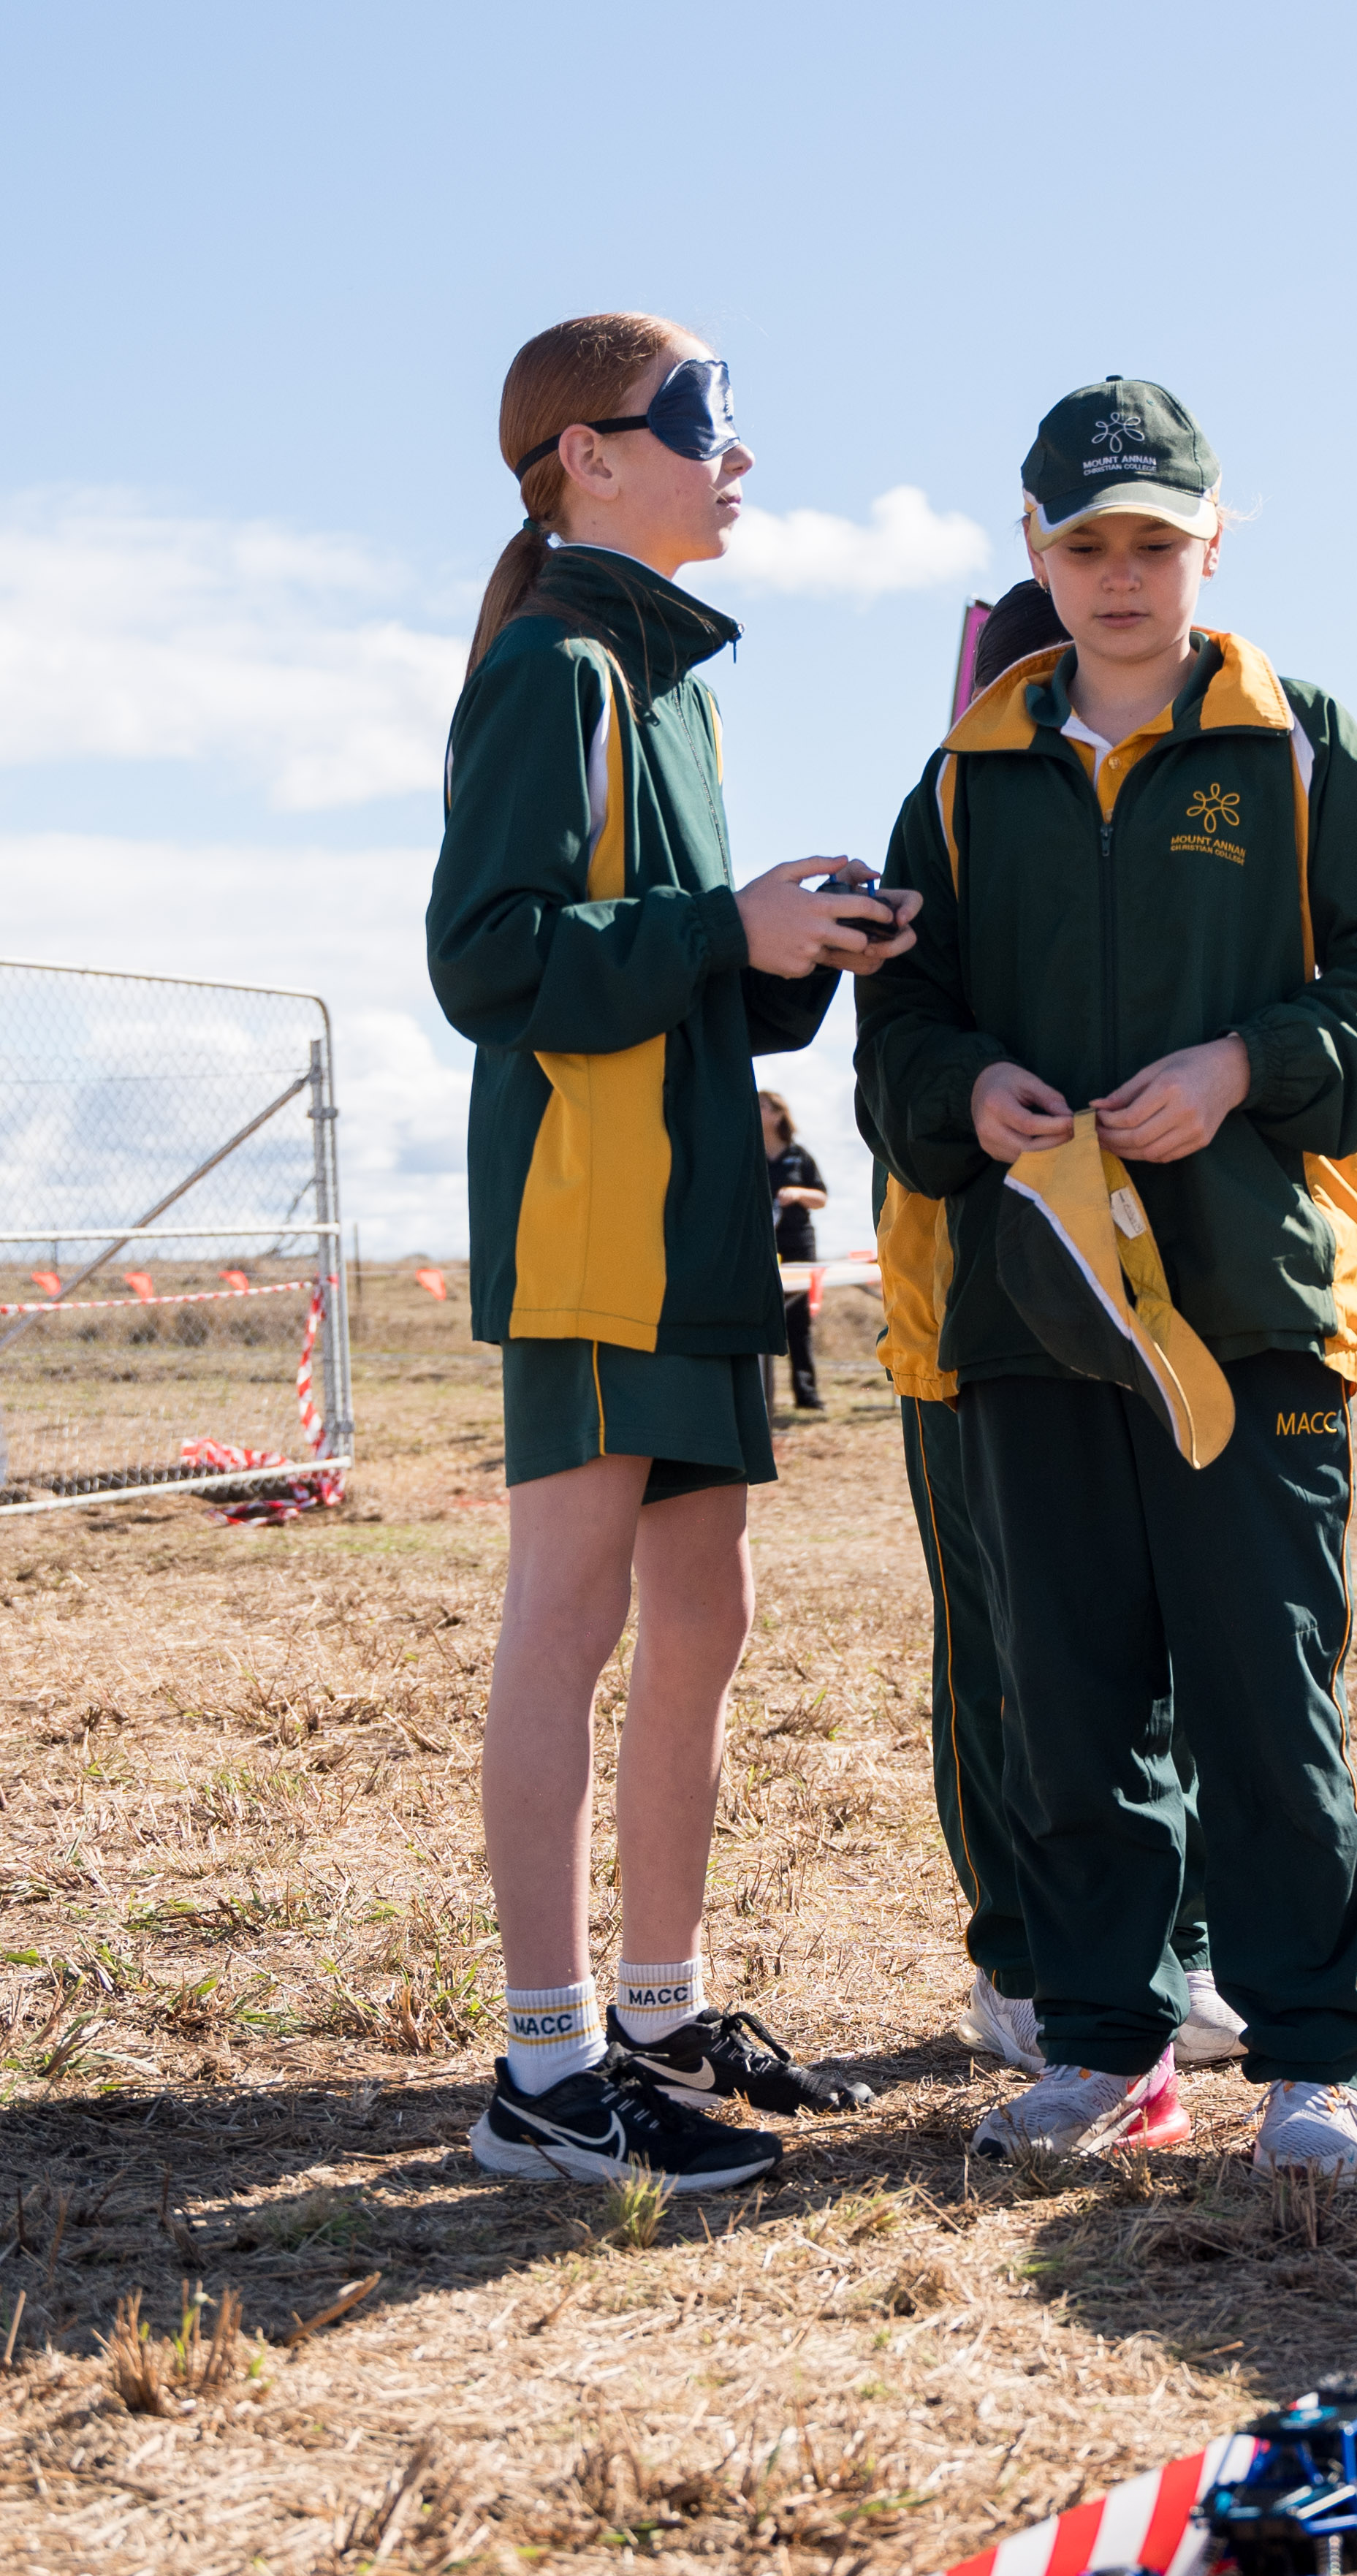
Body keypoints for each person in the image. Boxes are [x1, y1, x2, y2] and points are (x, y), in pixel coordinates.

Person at [854, 376, 1357, 2183]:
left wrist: (1243, 1071)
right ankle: (1102, 2036)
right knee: (1070, 1682)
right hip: (1036, 1302)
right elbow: (897, 1037)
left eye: (1155, 543)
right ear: (1033, 553)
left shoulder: (1303, 748)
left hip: (1252, 1304)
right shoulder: (962, 780)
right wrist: (964, 1089)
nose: (1121, 576)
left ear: (1214, 543)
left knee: (1266, 1686)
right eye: (1086, 544)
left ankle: (1312, 2059)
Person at [428, 310, 903, 2192]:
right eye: (706, 418)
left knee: (706, 1607)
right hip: (596, 1216)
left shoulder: (671, 689)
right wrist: (728, 921)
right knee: (575, 1607)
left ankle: (655, 2012)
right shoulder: (556, 669)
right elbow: (497, 957)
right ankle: (544, 2077)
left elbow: (677, 962)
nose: (742, 452)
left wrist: (795, 944)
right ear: (588, 457)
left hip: (689, 1207)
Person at [875, 577, 1245, 2081]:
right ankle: (1024, 1954)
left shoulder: (1228, 798)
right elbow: (897, 1059)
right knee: (1012, 1651)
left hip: (1167, 1315)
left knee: (1174, 1641)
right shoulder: (952, 823)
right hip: (976, 1324)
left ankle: (1182, 1940)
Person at [759, 1093, 830, 1411]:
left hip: (798, 1244)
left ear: (777, 1115)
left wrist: (799, 1193)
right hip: (762, 1245)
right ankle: (760, 1397)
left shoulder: (800, 1156)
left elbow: (822, 1198)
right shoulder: (748, 1154)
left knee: (798, 1323)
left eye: (762, 1105)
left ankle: (807, 1395)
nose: (755, 1109)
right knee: (760, 1317)